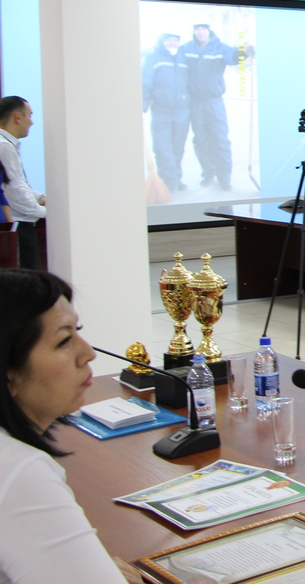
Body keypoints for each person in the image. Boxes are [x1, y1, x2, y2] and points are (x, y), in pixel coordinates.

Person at [0, 269, 141, 583]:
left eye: (78, 331)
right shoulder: (19, 472)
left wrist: (74, 560)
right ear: (9, 373)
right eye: (64, 340)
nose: (88, 353)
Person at [181, 23, 250, 191]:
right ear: (194, 31)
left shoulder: (219, 47)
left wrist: (244, 52)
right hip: (195, 102)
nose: (201, 32)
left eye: (203, 29)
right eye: (197, 29)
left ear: (208, 31)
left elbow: (233, 57)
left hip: (214, 102)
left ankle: (224, 177)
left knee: (220, 140)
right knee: (201, 140)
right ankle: (208, 173)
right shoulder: (186, 48)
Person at [141, 33, 190, 194]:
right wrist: (143, 105)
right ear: (162, 41)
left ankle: (175, 178)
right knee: (162, 149)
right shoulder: (153, 58)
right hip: (161, 111)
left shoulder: (184, 58)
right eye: (169, 40)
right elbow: (145, 82)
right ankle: (168, 182)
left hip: (182, 111)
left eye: (176, 40)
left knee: (177, 149)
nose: (173, 43)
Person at [0, 97, 46, 269]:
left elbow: (17, 183)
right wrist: (45, 212)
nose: (32, 122)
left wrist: (39, 197)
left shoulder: (7, 145)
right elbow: (13, 192)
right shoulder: (4, 146)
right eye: (29, 115)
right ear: (17, 117)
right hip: (17, 225)